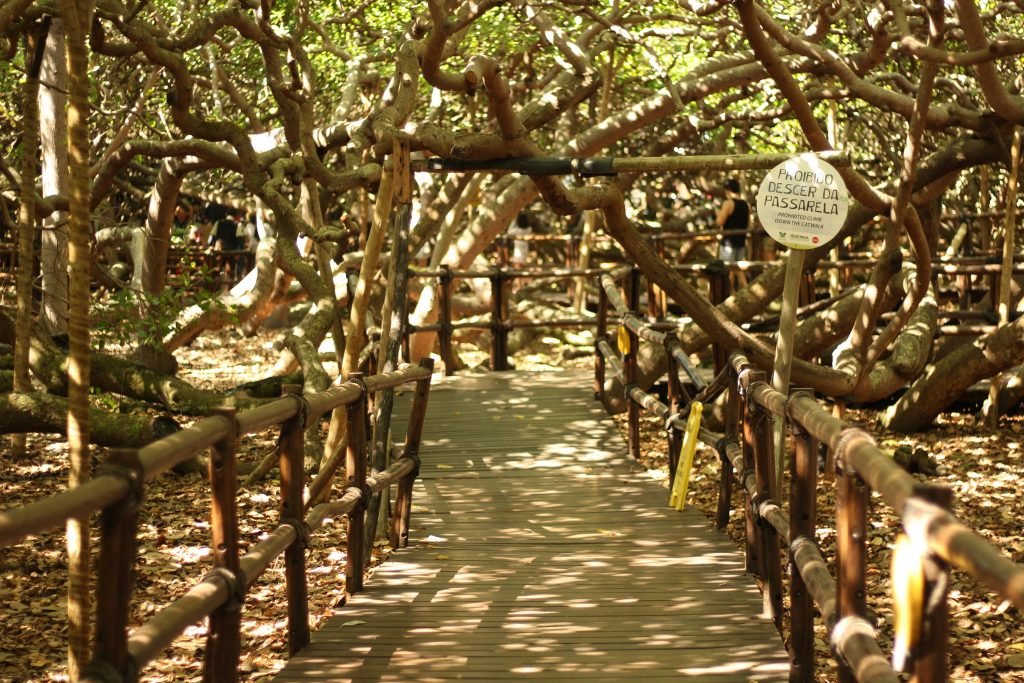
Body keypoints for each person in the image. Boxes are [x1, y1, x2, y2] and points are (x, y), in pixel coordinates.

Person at [715, 178, 749, 288]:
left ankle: (730, 292)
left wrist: (718, 214)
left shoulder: (728, 203)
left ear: (728, 190)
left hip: (728, 244)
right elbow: (748, 223)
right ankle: (745, 287)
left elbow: (720, 222)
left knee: (728, 269)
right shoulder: (746, 205)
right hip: (741, 242)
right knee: (737, 267)